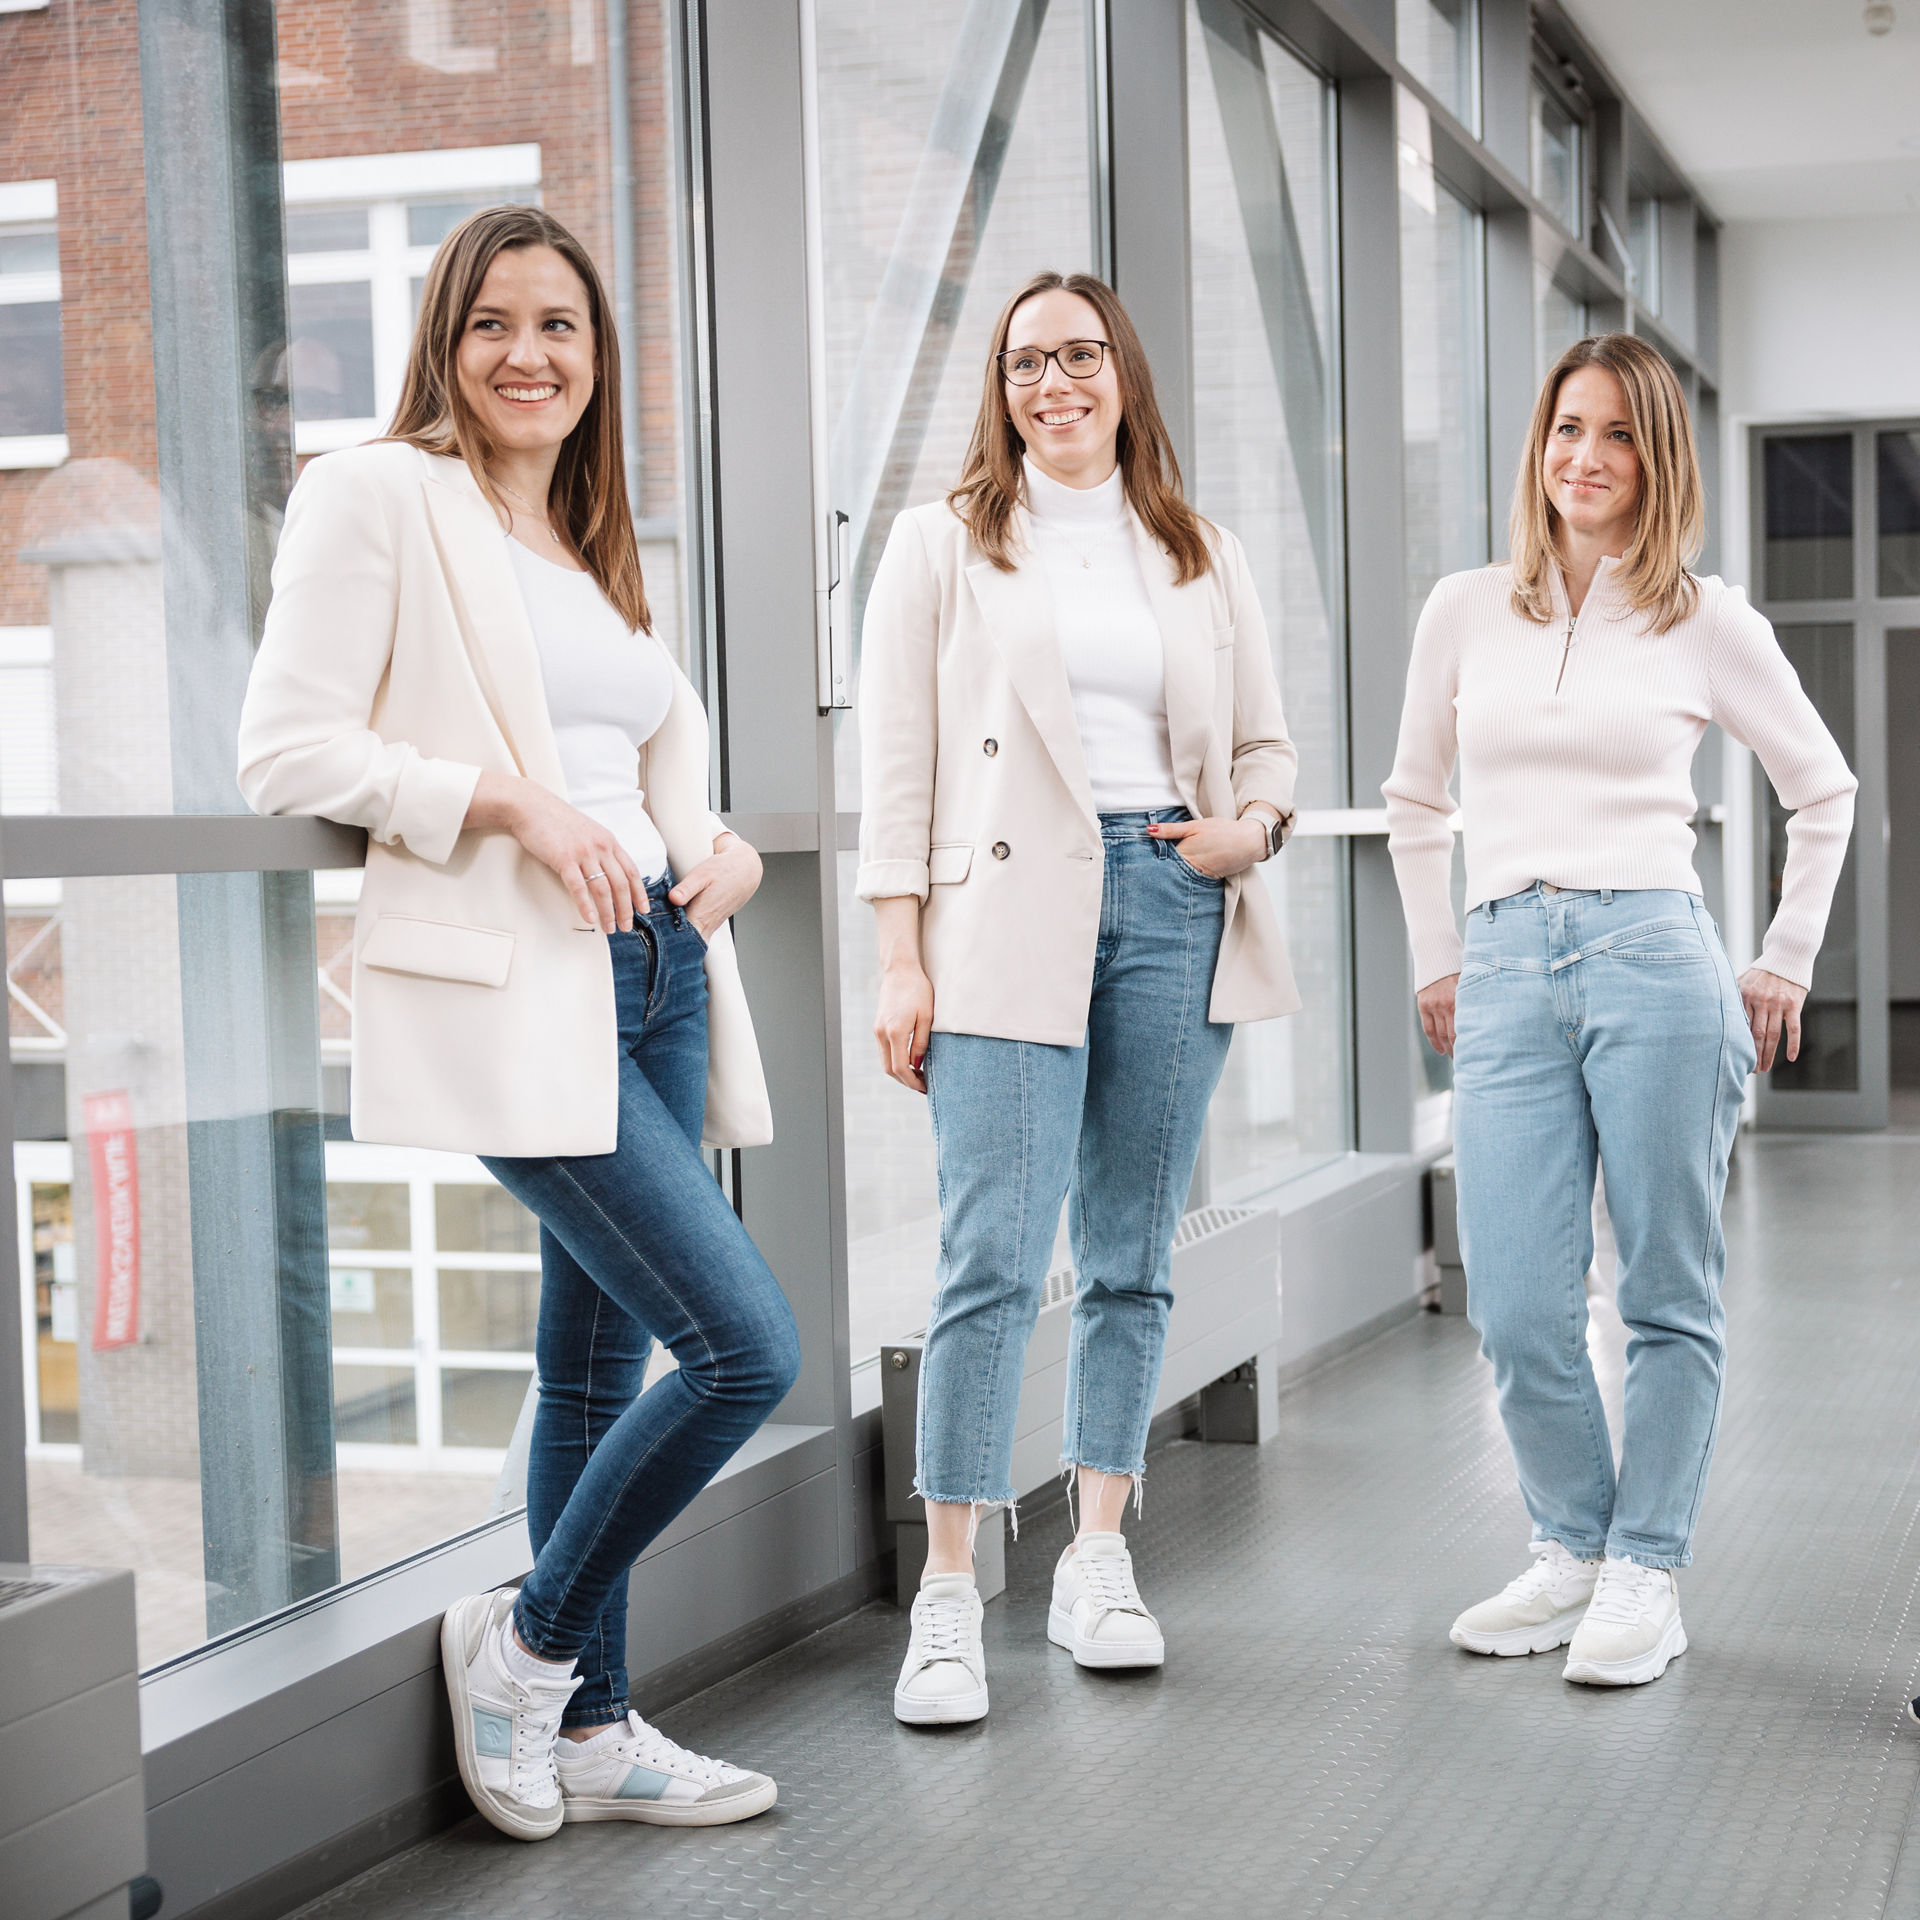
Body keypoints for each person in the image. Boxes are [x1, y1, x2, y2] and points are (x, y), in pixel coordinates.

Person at [236, 206, 799, 1835]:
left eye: (560, 325)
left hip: (659, 965)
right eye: (492, 322)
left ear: (598, 355)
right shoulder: (377, 495)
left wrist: (719, 846)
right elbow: (286, 752)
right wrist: (507, 803)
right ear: (444, 340)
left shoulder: (587, 537)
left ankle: (597, 1730)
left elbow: (631, 755)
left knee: (592, 1371)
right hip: (514, 979)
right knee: (744, 1348)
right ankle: (530, 1645)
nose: (528, 354)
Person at [857, 270, 1301, 1725]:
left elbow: (1268, 745)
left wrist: (1249, 831)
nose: (1054, 382)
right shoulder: (942, 543)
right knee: (989, 1257)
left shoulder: (1199, 549)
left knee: (1130, 1254)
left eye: (1079, 355)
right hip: (1001, 913)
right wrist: (900, 955)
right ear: (1000, 389)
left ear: (1125, 374)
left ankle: (1097, 1554)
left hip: (1171, 897)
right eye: (1025, 362)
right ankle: (948, 1591)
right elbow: (897, 766)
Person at [1384, 333, 1856, 1687]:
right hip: (1502, 965)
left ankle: (1648, 1567)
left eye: (1618, 435)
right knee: (1517, 1298)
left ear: (1659, 460)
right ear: (1538, 445)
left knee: (1664, 1289)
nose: (1584, 457)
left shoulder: (1709, 620)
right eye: (1566, 429)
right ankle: (1572, 1549)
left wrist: (1785, 957)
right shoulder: (1465, 608)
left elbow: (1823, 789)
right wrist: (1436, 957)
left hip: (1655, 953)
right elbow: (1414, 798)